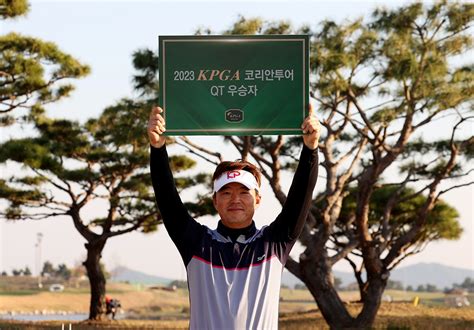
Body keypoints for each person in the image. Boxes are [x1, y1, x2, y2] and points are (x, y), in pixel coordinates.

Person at [148, 105, 320, 329]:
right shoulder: (196, 242)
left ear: (258, 200)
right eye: (227, 192)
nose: (235, 199)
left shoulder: (274, 243)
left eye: (244, 192)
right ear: (215, 201)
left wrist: (310, 149)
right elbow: (167, 199)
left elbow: (300, 198)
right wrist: (158, 148)